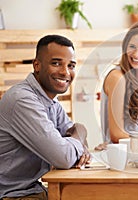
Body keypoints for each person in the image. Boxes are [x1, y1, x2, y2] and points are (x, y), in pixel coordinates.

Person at [0, 35, 91, 199]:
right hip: (13, 196)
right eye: (56, 63)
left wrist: (80, 132)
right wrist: (79, 138)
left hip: (35, 190)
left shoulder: (50, 100)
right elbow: (63, 157)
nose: (65, 72)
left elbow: (74, 132)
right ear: (37, 65)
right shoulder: (23, 100)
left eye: (71, 65)